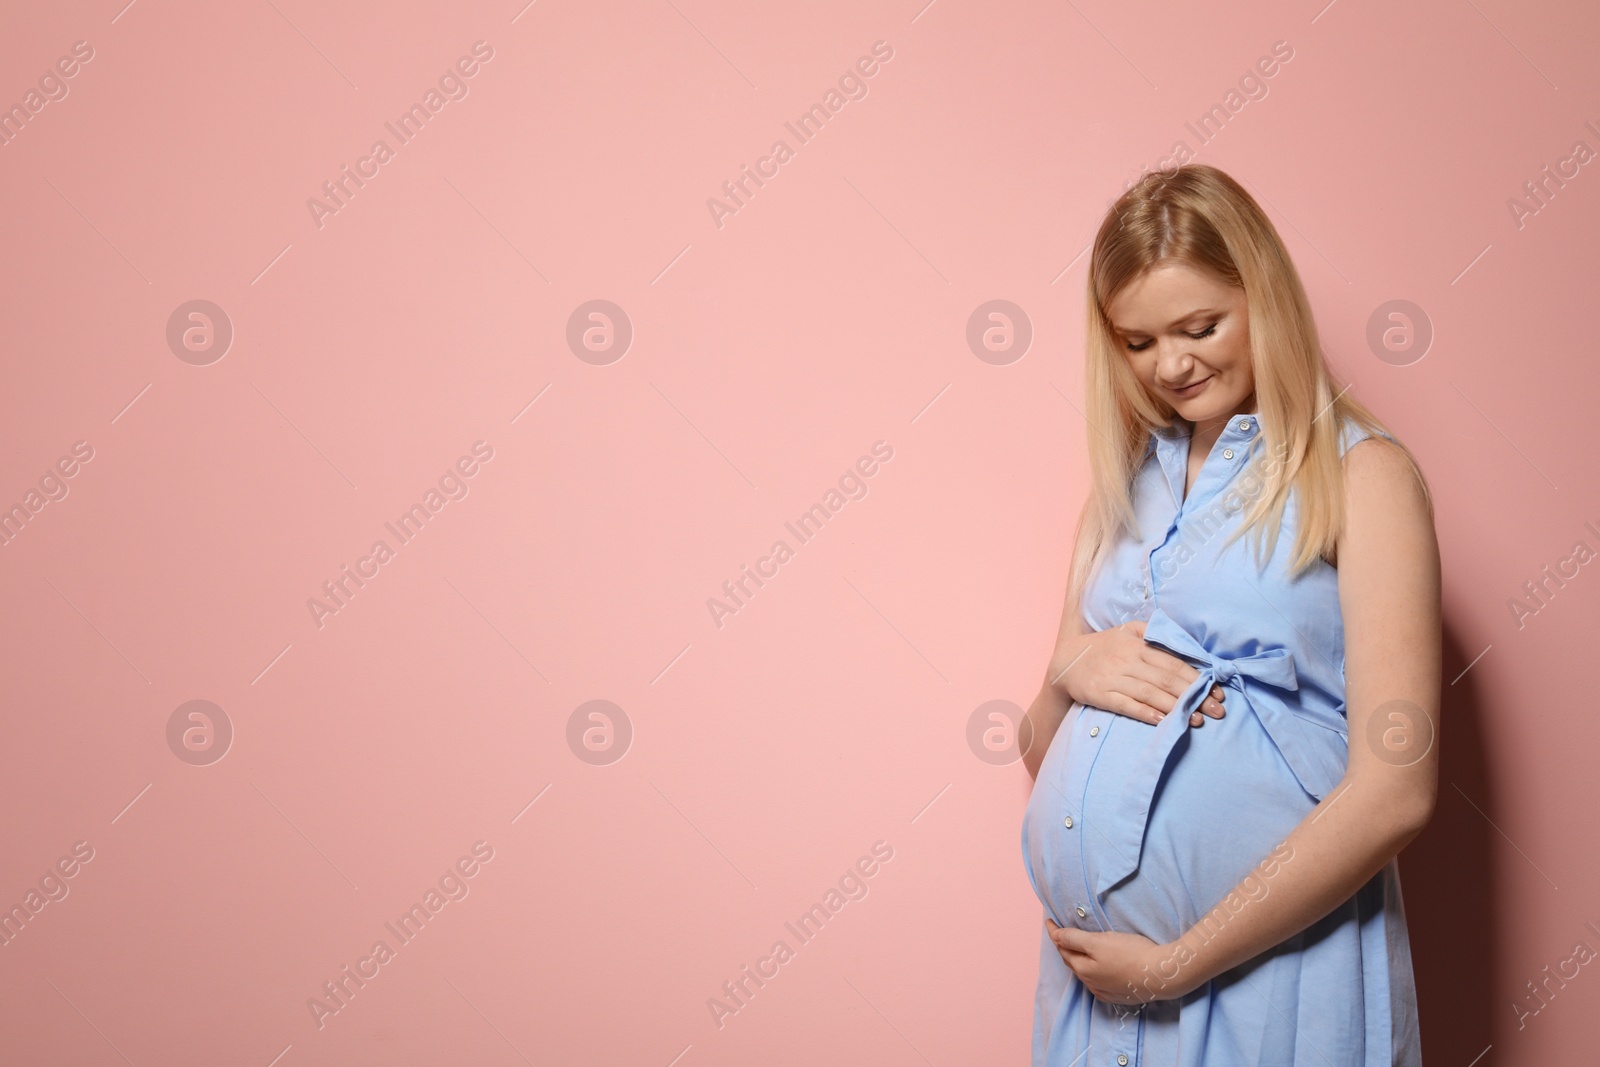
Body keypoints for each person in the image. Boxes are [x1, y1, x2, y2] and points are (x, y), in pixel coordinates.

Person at [1018, 164, 1440, 1066]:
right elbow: (1036, 744)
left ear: (1266, 299)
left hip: (1272, 977)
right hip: (1099, 996)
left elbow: (1398, 789)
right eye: (1136, 342)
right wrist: (1073, 667)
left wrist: (1174, 965)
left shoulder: (1363, 477)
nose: (1171, 364)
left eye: (1199, 326)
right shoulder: (1121, 492)